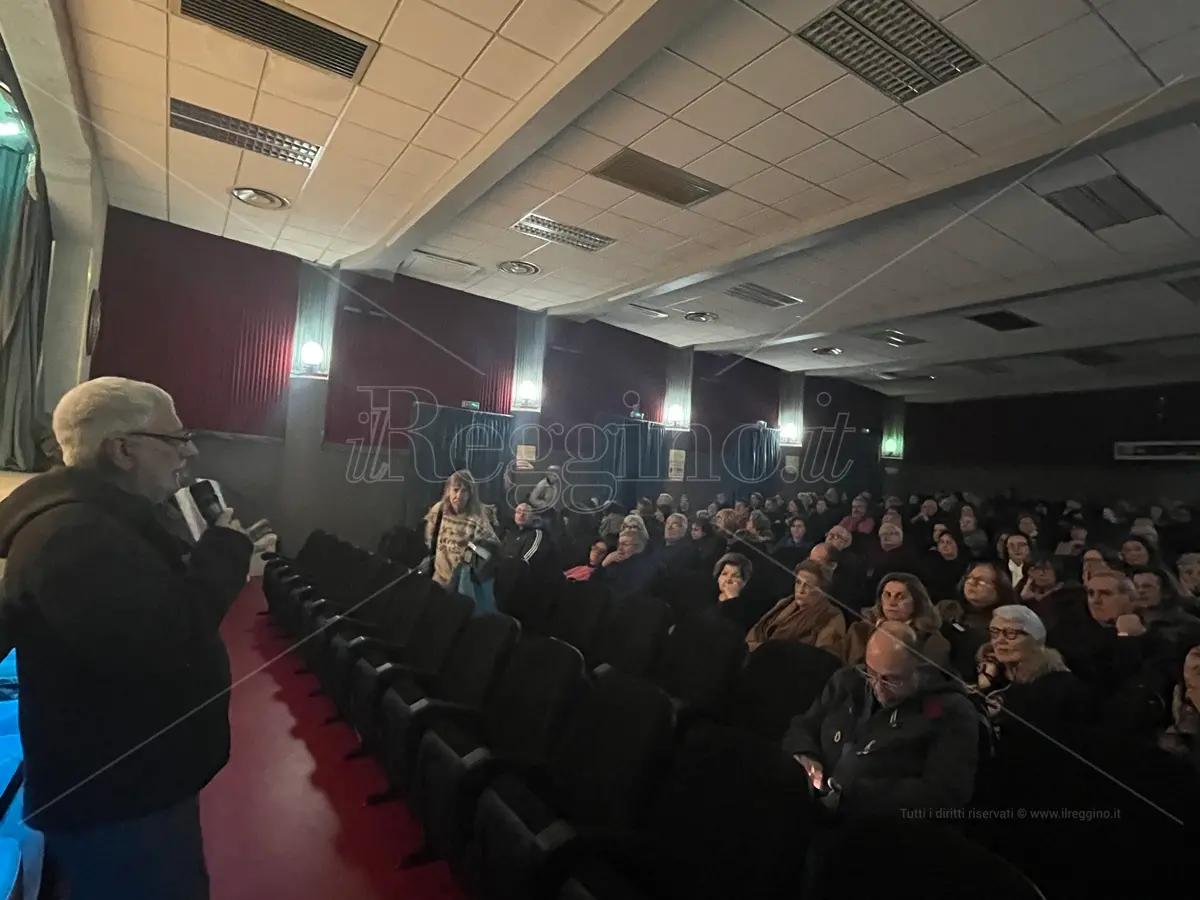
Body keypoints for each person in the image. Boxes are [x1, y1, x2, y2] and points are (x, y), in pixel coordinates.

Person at [0, 377, 253, 900]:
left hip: (134, 787)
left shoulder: (98, 523)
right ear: (123, 449)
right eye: (177, 438)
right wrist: (226, 551)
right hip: (120, 799)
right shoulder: (74, 535)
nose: (190, 451)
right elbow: (170, 640)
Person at [783, 621, 980, 818]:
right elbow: (804, 725)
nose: (878, 688)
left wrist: (851, 793)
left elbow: (944, 794)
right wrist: (805, 755)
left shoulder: (951, 712)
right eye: (871, 673)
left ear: (920, 670)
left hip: (874, 826)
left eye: (891, 679)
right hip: (810, 803)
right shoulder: (850, 680)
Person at [844, 573, 951, 670]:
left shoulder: (932, 640)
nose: (892, 603)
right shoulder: (859, 631)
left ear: (917, 602)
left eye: (900, 597)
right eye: (887, 595)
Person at [745, 560, 845, 657]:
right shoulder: (785, 603)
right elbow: (758, 629)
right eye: (798, 582)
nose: (801, 590)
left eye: (809, 585)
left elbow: (822, 658)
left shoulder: (832, 616)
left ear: (823, 591)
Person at [424, 470, 498, 588]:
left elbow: (490, 549)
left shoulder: (477, 518)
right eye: (456, 490)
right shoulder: (438, 511)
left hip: (463, 583)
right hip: (437, 578)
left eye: (464, 491)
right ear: (448, 490)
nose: (458, 495)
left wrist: (470, 549)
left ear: (470, 494)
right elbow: (429, 538)